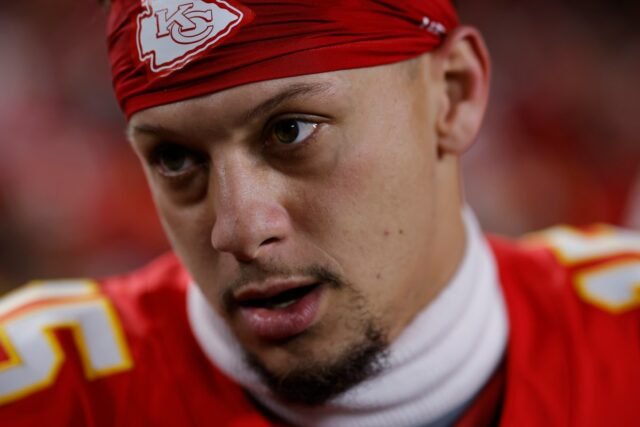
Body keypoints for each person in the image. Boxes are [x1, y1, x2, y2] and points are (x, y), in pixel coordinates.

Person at [0, 1, 638, 426]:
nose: (239, 229)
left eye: (292, 131)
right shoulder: (37, 397)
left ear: (453, 96)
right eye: (174, 158)